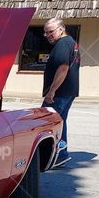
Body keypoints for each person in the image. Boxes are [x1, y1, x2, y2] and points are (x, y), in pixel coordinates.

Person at [41, 17, 80, 167]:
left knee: (47, 121)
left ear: (61, 29)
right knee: (59, 122)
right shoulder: (71, 42)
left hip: (60, 93)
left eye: (50, 32)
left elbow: (63, 68)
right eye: (46, 33)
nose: (48, 35)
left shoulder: (63, 44)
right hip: (68, 91)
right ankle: (60, 155)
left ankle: (55, 155)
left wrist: (52, 91)